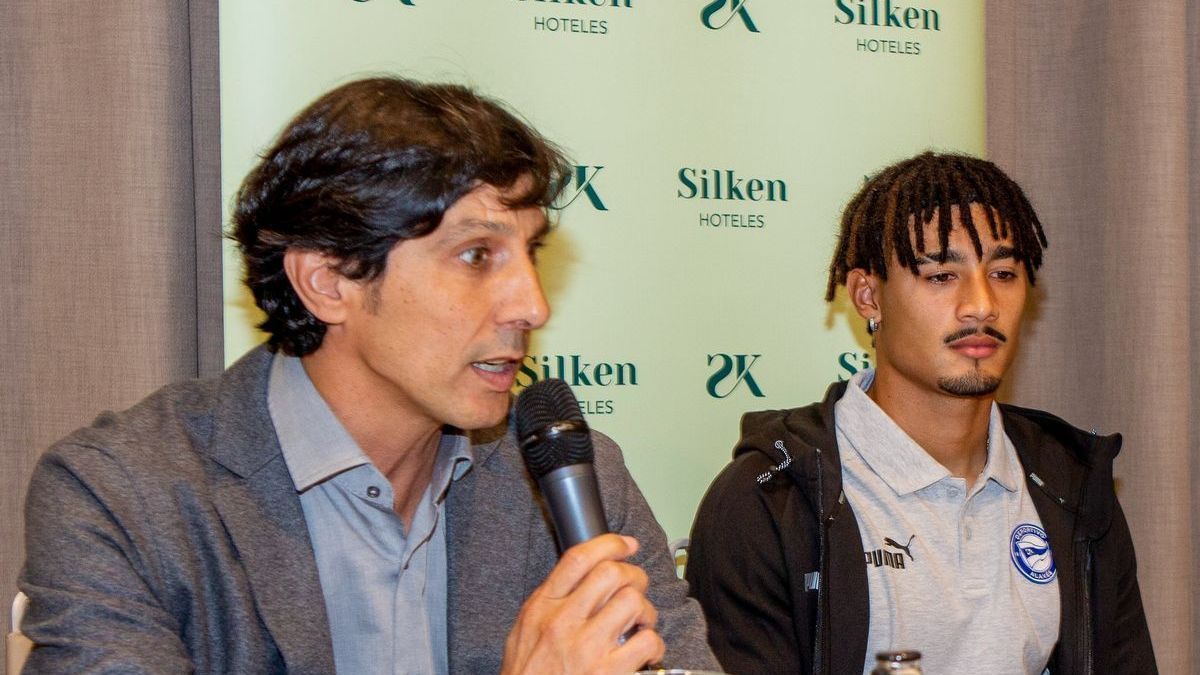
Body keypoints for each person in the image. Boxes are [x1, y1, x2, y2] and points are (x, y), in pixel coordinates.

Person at [20, 76, 717, 674]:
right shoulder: (123, 495)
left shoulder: (574, 477)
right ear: (327, 281)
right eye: (476, 255)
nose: (532, 306)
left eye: (529, 252)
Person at [686, 151, 1156, 674]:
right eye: (941, 276)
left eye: (1003, 273)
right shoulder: (767, 500)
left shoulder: (1072, 482)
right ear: (868, 296)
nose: (981, 305)